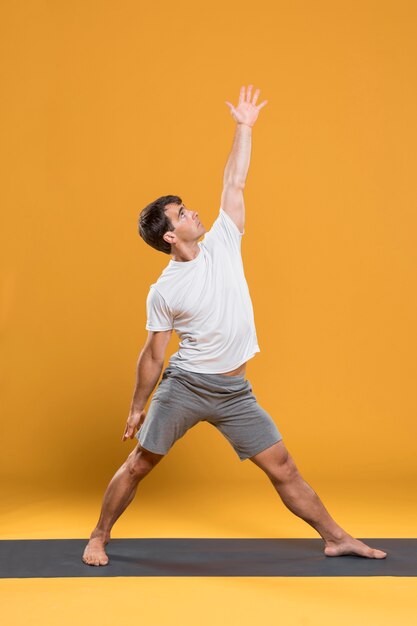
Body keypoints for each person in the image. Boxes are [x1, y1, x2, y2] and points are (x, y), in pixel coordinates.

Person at [82, 85, 387, 566]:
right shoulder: (165, 289)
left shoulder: (223, 239)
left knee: (283, 468)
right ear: (169, 235)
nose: (193, 212)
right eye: (183, 214)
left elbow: (234, 183)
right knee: (140, 464)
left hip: (235, 392)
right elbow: (154, 355)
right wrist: (138, 406)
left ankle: (337, 536)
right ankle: (99, 535)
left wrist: (244, 127)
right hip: (185, 386)